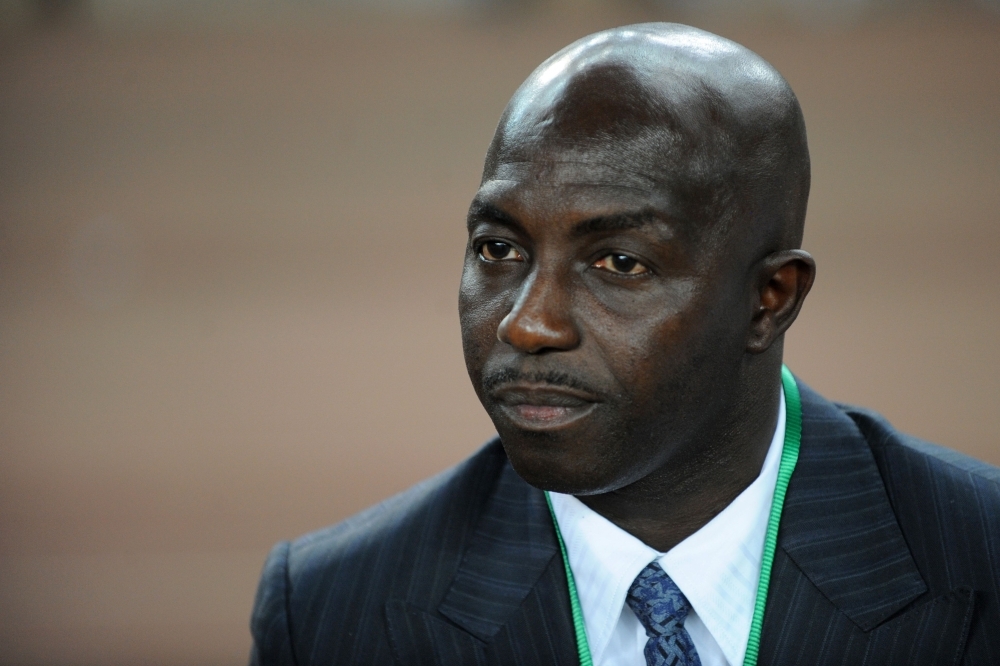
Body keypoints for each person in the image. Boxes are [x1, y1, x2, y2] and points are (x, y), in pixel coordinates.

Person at [248, 23, 1000, 666]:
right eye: (498, 249)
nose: (527, 325)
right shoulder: (330, 613)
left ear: (770, 301)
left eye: (620, 263)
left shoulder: (979, 559)